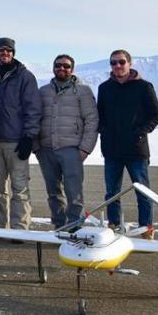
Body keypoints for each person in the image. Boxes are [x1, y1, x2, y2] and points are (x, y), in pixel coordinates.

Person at [97, 49, 158, 239]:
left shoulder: (144, 87)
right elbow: (99, 115)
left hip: (136, 149)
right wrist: (104, 131)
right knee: (112, 192)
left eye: (121, 62)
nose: (117, 66)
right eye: (113, 63)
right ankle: (114, 225)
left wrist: (141, 132)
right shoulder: (104, 88)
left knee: (142, 190)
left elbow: (156, 114)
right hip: (112, 149)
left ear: (130, 63)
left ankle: (146, 228)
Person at [34, 54, 98, 231]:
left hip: (72, 148)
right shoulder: (44, 91)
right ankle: (59, 225)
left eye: (66, 66)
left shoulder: (83, 91)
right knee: (53, 191)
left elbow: (92, 120)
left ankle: (74, 227)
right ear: (53, 68)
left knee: (74, 191)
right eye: (58, 65)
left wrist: (85, 148)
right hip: (46, 149)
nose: (62, 69)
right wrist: (36, 146)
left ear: (72, 69)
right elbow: (35, 117)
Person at [0, 37, 41, 231]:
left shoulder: (25, 77)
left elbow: (33, 109)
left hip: (17, 141)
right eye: (1, 50)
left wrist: (28, 137)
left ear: (13, 53)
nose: (5, 53)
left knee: (20, 188)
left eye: (8, 50)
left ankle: (20, 228)